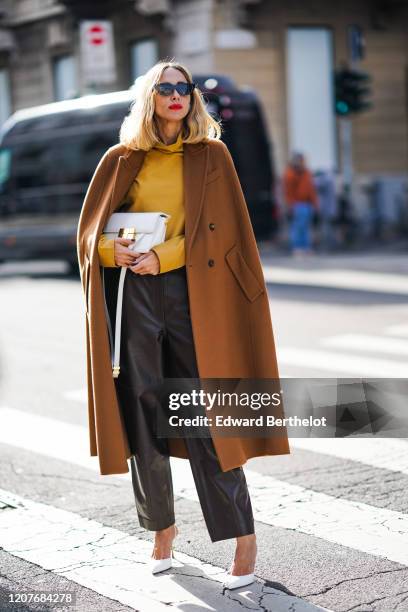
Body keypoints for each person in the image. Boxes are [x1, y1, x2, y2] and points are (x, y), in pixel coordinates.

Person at [77, 60, 290, 590]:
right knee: (145, 408)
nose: (175, 95)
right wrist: (115, 250)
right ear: (148, 97)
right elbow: (87, 237)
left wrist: (164, 256)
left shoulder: (211, 155)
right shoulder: (120, 159)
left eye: (183, 88)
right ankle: (162, 531)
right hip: (135, 296)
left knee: (204, 410)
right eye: (164, 87)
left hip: (195, 294)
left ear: (192, 98)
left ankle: (242, 538)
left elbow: (224, 235)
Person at [282, 152, 319, 257]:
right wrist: (290, 205)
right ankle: (297, 248)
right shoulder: (290, 173)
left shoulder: (306, 173)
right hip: (297, 204)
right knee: (298, 227)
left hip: (307, 204)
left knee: (306, 227)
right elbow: (288, 191)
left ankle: (306, 248)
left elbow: (311, 190)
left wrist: (315, 203)